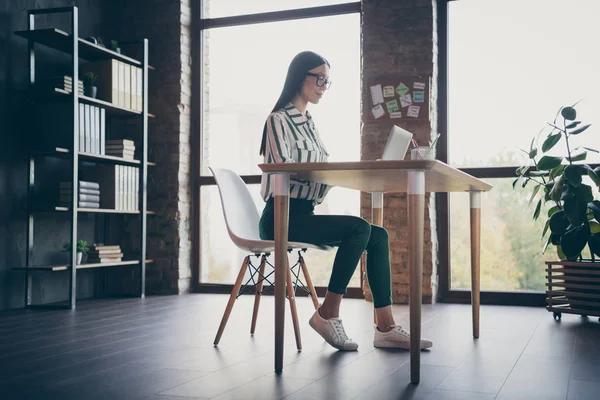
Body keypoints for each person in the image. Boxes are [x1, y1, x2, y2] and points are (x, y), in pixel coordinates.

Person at [258, 51, 433, 352]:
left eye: (328, 80)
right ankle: (328, 313)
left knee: (377, 235)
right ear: (300, 76)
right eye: (320, 78)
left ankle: (386, 327)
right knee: (357, 228)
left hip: (305, 213)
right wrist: (322, 175)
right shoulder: (277, 120)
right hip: (281, 216)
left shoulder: (310, 124)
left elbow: (314, 173)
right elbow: (281, 172)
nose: (324, 85)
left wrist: (336, 175)